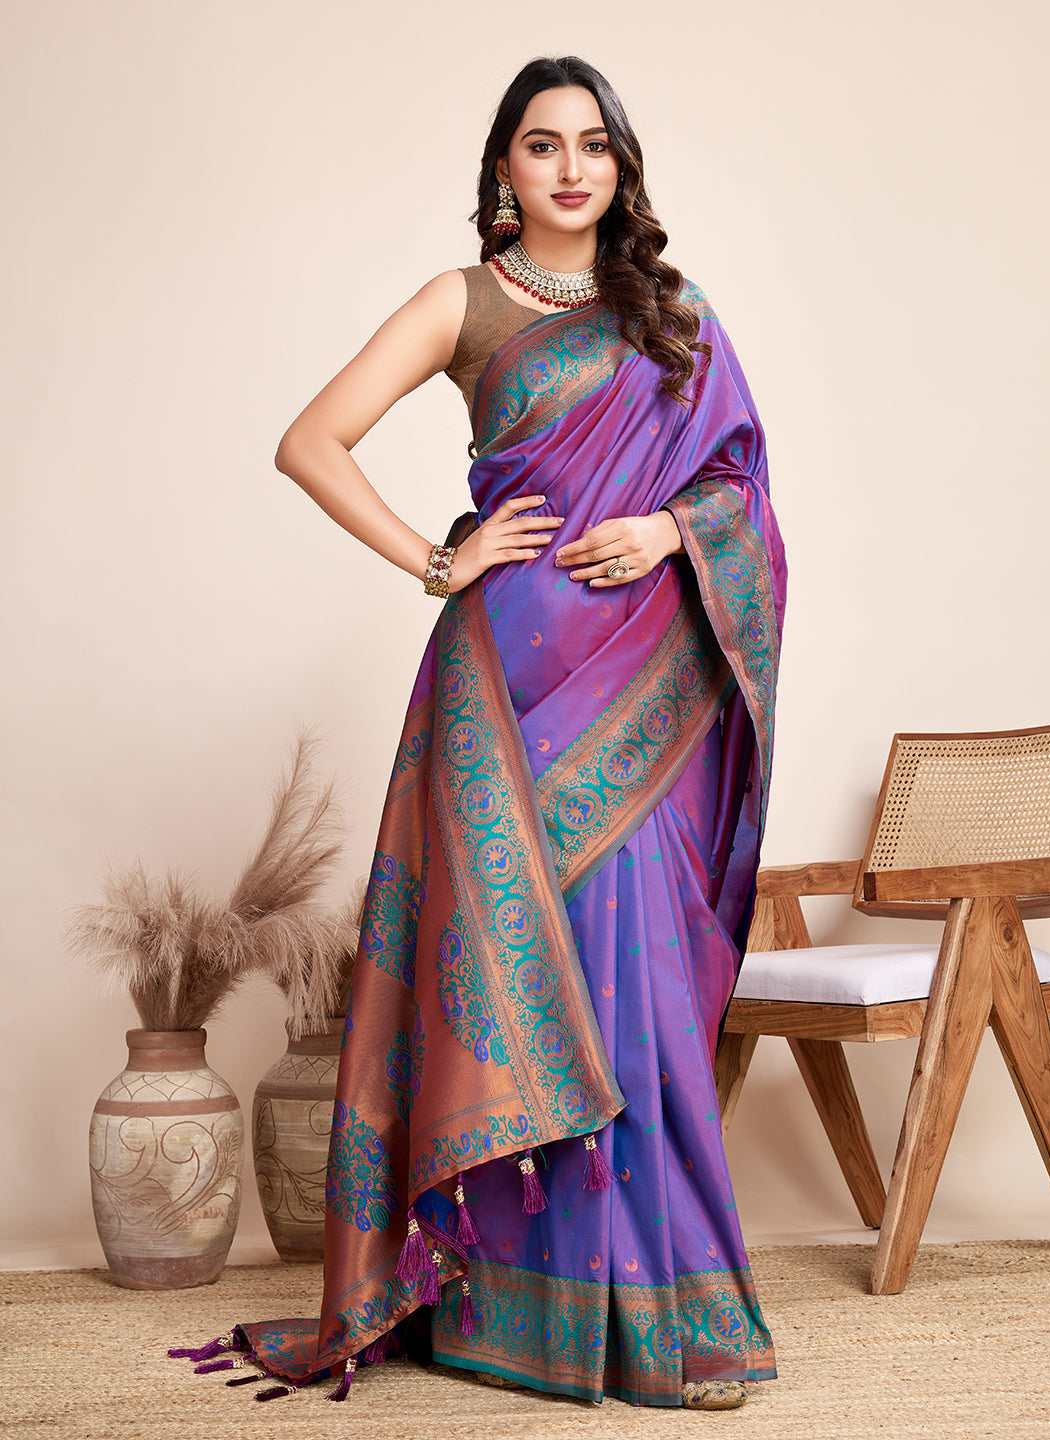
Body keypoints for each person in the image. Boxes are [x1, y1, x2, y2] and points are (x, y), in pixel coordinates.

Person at [171, 54, 786, 1411]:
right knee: (505, 978)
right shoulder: (460, 302)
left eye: (593, 145)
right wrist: (436, 561)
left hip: (645, 700)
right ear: (504, 168)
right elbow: (311, 440)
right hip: (504, 691)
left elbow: (740, 485)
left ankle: (655, 1316)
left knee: (631, 990)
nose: (570, 168)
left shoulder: (675, 312)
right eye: (541, 144)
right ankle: (501, 1311)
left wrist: (667, 529)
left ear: (621, 168)